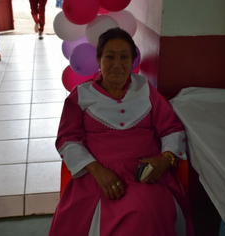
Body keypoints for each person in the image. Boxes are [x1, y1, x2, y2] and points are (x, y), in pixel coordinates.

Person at [49, 27, 194, 236]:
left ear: (133, 62)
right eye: (109, 56)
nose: (117, 64)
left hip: (146, 174)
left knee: (148, 212)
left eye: (124, 57)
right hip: (97, 175)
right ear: (98, 60)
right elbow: (67, 139)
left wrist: (166, 159)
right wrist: (98, 171)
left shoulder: (144, 88)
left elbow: (171, 128)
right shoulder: (80, 95)